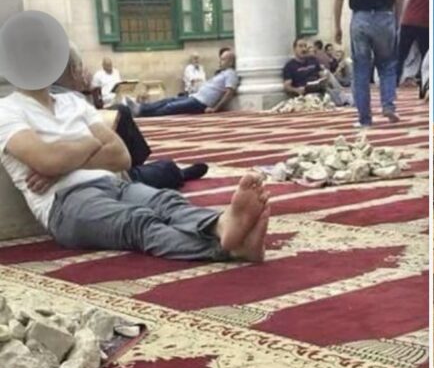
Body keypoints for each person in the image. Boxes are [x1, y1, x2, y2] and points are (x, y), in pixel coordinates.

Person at [0, 73, 271, 262]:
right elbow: (47, 160)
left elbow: (120, 156)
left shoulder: (73, 102)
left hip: (112, 182)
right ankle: (230, 250)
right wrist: (89, 143)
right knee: (137, 222)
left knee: (166, 201)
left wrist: (62, 160)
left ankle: (222, 226)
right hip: (64, 204)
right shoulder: (7, 110)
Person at [53, 43, 207, 190]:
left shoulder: (41, 102)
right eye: (81, 67)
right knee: (165, 167)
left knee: (121, 111)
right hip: (95, 183)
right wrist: (59, 165)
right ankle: (174, 173)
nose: (85, 72)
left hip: (78, 172)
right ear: (74, 71)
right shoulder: (71, 105)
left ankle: (141, 165)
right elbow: (119, 157)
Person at [334, 0, 403, 127]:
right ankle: (388, 106)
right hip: (384, 16)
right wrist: (397, 19)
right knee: (387, 65)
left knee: (360, 70)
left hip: (360, 19)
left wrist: (337, 26)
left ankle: (364, 118)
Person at [128, 49, 238, 117]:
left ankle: (141, 111)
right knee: (168, 100)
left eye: (223, 59)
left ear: (231, 61)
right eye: (221, 59)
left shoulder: (231, 74)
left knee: (170, 107)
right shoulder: (222, 73)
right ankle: (140, 108)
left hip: (201, 103)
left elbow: (229, 92)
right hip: (195, 96)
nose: (220, 61)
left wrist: (215, 108)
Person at [282, 38, 348, 106]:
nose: (304, 49)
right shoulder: (289, 66)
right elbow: (287, 86)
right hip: (306, 94)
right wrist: (297, 90)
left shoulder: (313, 60)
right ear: (294, 49)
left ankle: (342, 97)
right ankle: (342, 100)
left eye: (305, 46)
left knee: (328, 76)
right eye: (300, 46)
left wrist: (324, 77)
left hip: (320, 90)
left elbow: (321, 74)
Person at [396, 0, 429, 86]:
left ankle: (394, 81)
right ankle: (424, 83)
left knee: (401, 54)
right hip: (425, 23)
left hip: (409, 20)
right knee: (426, 55)